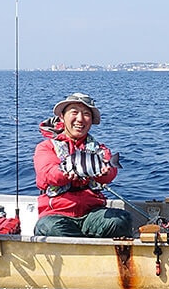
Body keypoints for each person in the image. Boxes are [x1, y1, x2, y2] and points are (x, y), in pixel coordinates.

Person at [33, 92, 132, 238]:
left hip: (93, 213)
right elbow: (48, 173)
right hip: (56, 214)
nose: (80, 119)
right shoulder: (46, 147)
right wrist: (64, 174)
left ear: (91, 121)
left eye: (86, 114)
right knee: (49, 228)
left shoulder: (99, 150)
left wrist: (106, 173)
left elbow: (110, 173)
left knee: (121, 220)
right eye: (74, 112)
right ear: (62, 116)